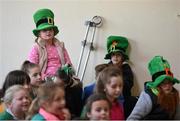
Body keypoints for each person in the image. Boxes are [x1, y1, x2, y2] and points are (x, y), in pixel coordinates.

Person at [127, 56, 180, 120]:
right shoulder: (148, 96)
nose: (168, 85)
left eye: (170, 82)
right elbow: (132, 118)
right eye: (163, 82)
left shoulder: (174, 95)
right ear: (157, 84)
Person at [28, 8, 72, 80]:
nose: (48, 32)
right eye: (44, 30)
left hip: (61, 78)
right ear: (39, 34)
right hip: (44, 80)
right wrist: (44, 77)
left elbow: (68, 62)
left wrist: (68, 71)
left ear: (54, 31)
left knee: (77, 86)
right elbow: (32, 68)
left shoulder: (60, 46)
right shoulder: (36, 48)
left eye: (50, 29)